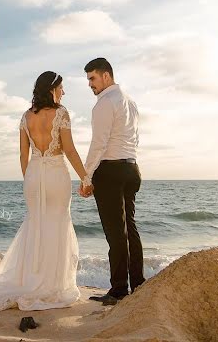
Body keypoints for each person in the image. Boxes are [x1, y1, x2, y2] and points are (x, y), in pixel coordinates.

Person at [0, 71, 93, 312]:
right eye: (61, 88)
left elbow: (23, 154)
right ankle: (52, 284)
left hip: (33, 175)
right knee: (57, 224)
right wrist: (86, 178)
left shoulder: (25, 117)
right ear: (52, 89)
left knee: (35, 226)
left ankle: (29, 280)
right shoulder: (61, 113)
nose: (64, 92)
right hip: (55, 175)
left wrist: (29, 178)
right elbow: (69, 150)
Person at [79, 57, 145, 303]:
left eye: (92, 78)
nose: (90, 84)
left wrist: (86, 177)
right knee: (130, 228)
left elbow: (99, 144)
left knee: (116, 233)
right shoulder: (130, 102)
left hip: (110, 171)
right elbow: (135, 138)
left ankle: (118, 290)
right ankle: (137, 284)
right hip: (132, 168)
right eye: (88, 80)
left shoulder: (104, 103)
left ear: (106, 76)